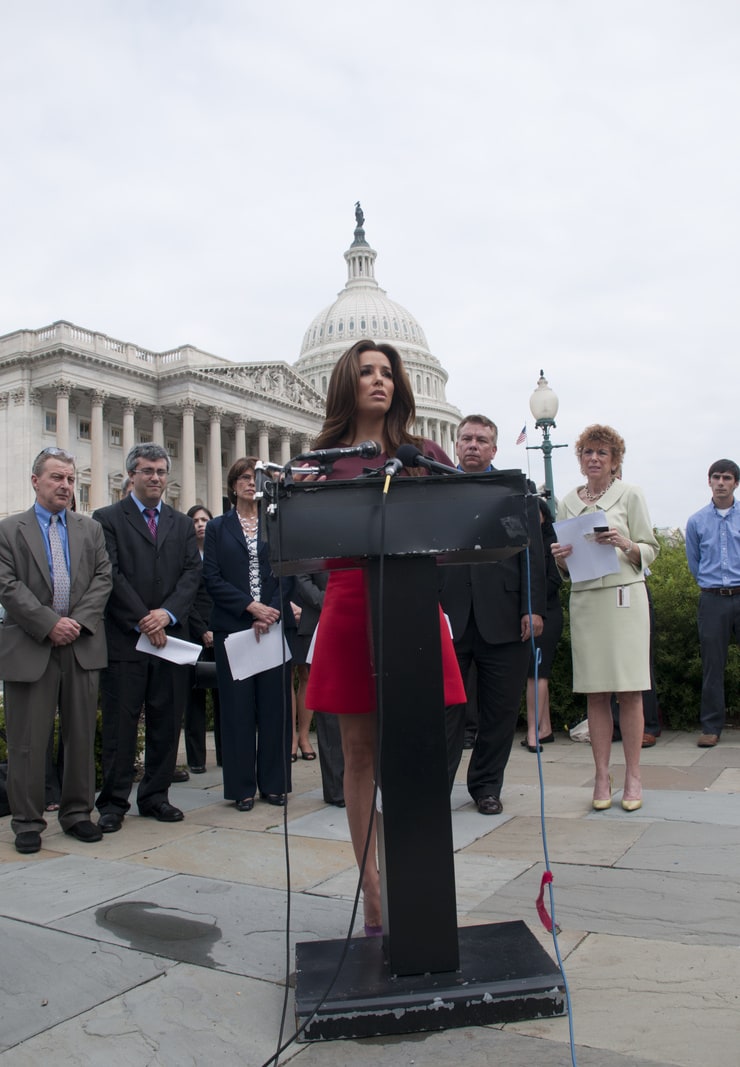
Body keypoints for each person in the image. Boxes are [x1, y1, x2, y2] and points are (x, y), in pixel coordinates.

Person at [304, 339, 466, 935]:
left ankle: (418, 886)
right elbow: (310, 548)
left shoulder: (424, 453)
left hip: (412, 603)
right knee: (360, 754)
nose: (380, 380)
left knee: (418, 750)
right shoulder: (319, 461)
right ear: (346, 383)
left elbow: (453, 533)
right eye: (367, 372)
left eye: (388, 373)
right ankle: (372, 890)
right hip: (350, 603)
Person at [0, 447, 112, 854]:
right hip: (32, 646)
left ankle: (78, 814)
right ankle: (28, 821)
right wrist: (50, 624)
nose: (65, 485)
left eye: (69, 478)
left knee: (80, 736)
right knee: (28, 741)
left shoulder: (90, 529)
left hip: (81, 644)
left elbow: (103, 578)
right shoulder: (10, 530)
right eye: (56, 478)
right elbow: (8, 586)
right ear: (36, 481)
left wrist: (76, 623)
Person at [439, 415, 546, 813]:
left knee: (499, 712)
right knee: (447, 712)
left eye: (481, 440)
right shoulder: (437, 492)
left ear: (494, 450)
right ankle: (439, 786)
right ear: (455, 444)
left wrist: (531, 609)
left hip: (504, 618)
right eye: (466, 438)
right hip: (449, 619)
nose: (472, 445)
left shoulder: (515, 491)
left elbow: (531, 554)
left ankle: (485, 787)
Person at [93, 443, 202, 832]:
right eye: (147, 471)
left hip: (170, 638)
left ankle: (155, 796)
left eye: (160, 471)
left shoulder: (180, 522)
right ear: (132, 476)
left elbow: (192, 574)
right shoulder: (107, 518)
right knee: (121, 726)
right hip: (127, 637)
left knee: (166, 719)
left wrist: (166, 614)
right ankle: (113, 803)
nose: (155, 478)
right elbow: (111, 573)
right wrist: (143, 617)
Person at [552, 425, 659, 812]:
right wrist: (560, 559)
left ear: (615, 461)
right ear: (580, 459)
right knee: (595, 692)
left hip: (624, 598)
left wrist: (625, 543)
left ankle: (633, 775)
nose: (594, 458)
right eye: (587, 452)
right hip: (585, 601)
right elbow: (567, 564)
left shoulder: (631, 495)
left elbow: (650, 548)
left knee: (629, 690)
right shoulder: (567, 501)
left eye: (602, 453)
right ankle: (601, 775)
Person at [203, 457, 294, 812]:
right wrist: (249, 608)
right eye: (242, 477)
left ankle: (274, 784)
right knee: (237, 711)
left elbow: (287, 571)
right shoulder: (217, 527)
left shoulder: (277, 524)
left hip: (272, 625)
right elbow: (211, 577)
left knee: (274, 708)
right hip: (234, 627)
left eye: (255, 477)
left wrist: (269, 610)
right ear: (232, 484)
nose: (249, 483)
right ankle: (241, 787)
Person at [685, 459, 740, 747]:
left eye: (727, 478)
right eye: (716, 477)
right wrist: (710, 585)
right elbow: (695, 563)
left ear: (735, 483)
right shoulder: (696, 521)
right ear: (709, 481)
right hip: (712, 599)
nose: (721, 482)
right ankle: (711, 727)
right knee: (712, 665)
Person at [293, 571, 345, 806]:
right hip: (318, 623)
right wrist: (333, 602)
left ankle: (363, 782)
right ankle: (337, 790)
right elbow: (303, 580)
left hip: (355, 619)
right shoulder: (312, 535)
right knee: (329, 712)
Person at [522, 496, 563, 751]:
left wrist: (532, 604)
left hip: (547, 614)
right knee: (536, 673)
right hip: (530, 614)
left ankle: (532, 732)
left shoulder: (553, 544)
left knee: (536, 673)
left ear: (544, 516)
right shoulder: (522, 544)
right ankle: (544, 728)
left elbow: (554, 580)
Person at [183, 505, 221, 772]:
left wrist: (215, 629)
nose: (200, 524)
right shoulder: (185, 556)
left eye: (204, 519)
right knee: (193, 698)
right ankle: (196, 760)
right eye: (195, 520)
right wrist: (201, 630)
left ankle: (224, 754)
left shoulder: (218, 555)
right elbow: (184, 597)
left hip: (219, 629)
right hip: (192, 632)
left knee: (223, 697)